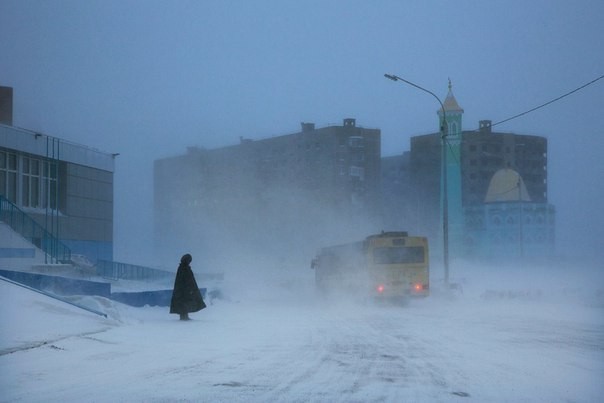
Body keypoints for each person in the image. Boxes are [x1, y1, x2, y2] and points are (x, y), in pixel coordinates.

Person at [170, 253, 206, 320]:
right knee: (184, 302)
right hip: (184, 290)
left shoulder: (183, 268)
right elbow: (186, 280)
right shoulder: (184, 268)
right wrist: (189, 289)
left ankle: (184, 316)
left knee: (184, 302)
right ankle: (184, 316)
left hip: (184, 290)